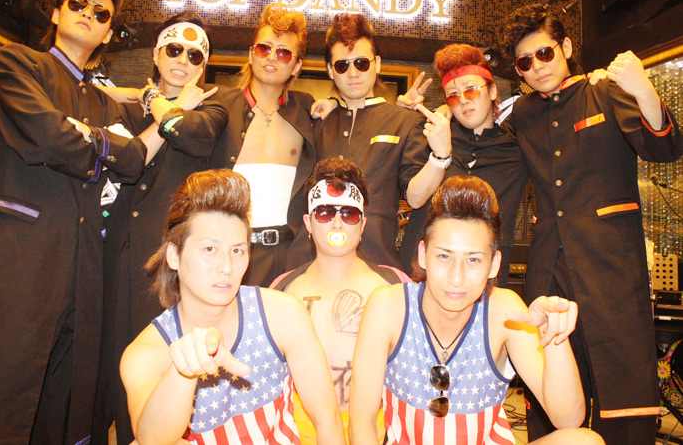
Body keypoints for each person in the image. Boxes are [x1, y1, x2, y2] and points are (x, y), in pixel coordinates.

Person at [497, 3, 683, 444]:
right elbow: (488, 150)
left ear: (565, 47)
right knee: (553, 386)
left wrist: (644, 90)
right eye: (525, 63)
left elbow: (665, 148)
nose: (537, 67)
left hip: (611, 266)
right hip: (549, 269)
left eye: (545, 54)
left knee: (624, 388)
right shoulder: (521, 114)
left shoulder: (605, 92)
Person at [0, 0, 148, 445]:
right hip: (26, 256)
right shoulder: (18, 63)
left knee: (70, 394)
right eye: (78, 4)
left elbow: (134, 160)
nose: (87, 15)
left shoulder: (103, 102)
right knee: (7, 387)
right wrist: (102, 144)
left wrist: (89, 136)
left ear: (107, 33)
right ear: (56, 12)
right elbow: (50, 138)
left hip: (88, 264)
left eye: (101, 13)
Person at [349, 175, 605, 445]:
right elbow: (361, 423)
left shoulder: (504, 312)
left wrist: (553, 338)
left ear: (494, 264)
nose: (456, 278)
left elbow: (568, 419)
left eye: (473, 260)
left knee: (584, 441)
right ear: (423, 254)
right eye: (444, 256)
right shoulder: (389, 306)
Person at [120, 169, 345, 445]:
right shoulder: (146, 354)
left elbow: (327, 419)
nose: (227, 267)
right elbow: (150, 439)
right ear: (174, 255)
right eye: (210, 250)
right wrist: (182, 371)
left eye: (237, 250)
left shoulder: (282, 313)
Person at [93, 11, 226, 445]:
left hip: (172, 264)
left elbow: (191, 135)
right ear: (155, 53)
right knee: (111, 362)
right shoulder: (119, 108)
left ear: (204, 66)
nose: (183, 60)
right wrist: (146, 99)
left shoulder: (212, 110)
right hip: (114, 253)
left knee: (170, 364)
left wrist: (156, 101)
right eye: (174, 49)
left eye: (194, 55)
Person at [289, 13, 452, 270]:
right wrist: (332, 103)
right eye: (342, 66)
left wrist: (440, 156)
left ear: (377, 63)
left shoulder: (404, 122)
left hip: (375, 261)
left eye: (361, 63)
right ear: (330, 70)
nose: (353, 73)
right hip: (309, 262)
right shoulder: (316, 121)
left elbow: (415, 197)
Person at [271, 157, 411, 444]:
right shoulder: (283, 290)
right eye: (324, 213)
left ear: (363, 224)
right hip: (297, 434)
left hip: (381, 434)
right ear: (308, 223)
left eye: (349, 214)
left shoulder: (395, 285)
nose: (337, 224)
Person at [397, 44, 529, 285]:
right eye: (453, 96)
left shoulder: (518, 146)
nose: (464, 101)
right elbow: (413, 197)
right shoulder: (430, 133)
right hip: (422, 271)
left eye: (471, 90)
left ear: (492, 91)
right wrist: (402, 115)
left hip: (484, 274)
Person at [209, 3, 318, 287]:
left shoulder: (307, 109)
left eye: (283, 53)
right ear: (250, 54)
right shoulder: (217, 103)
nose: (271, 57)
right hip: (230, 250)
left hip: (292, 253)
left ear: (296, 65)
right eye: (263, 48)